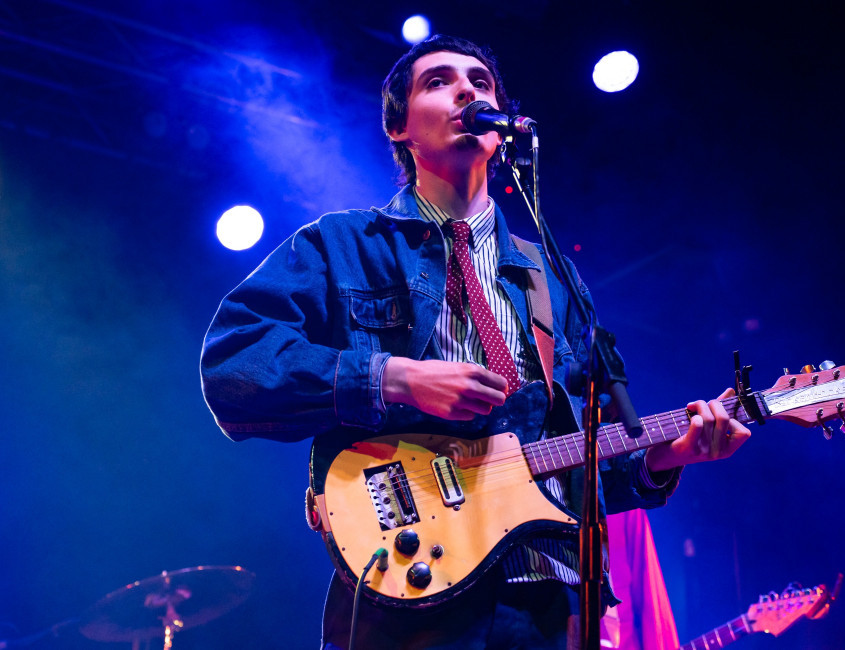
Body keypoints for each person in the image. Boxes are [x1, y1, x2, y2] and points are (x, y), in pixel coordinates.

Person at [200, 34, 750, 649]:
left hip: (547, 597)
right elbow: (235, 364)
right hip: (407, 594)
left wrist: (665, 457)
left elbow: (583, 457)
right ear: (399, 131)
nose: (467, 90)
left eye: (481, 83)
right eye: (438, 81)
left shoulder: (553, 279)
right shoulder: (342, 246)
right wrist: (394, 377)